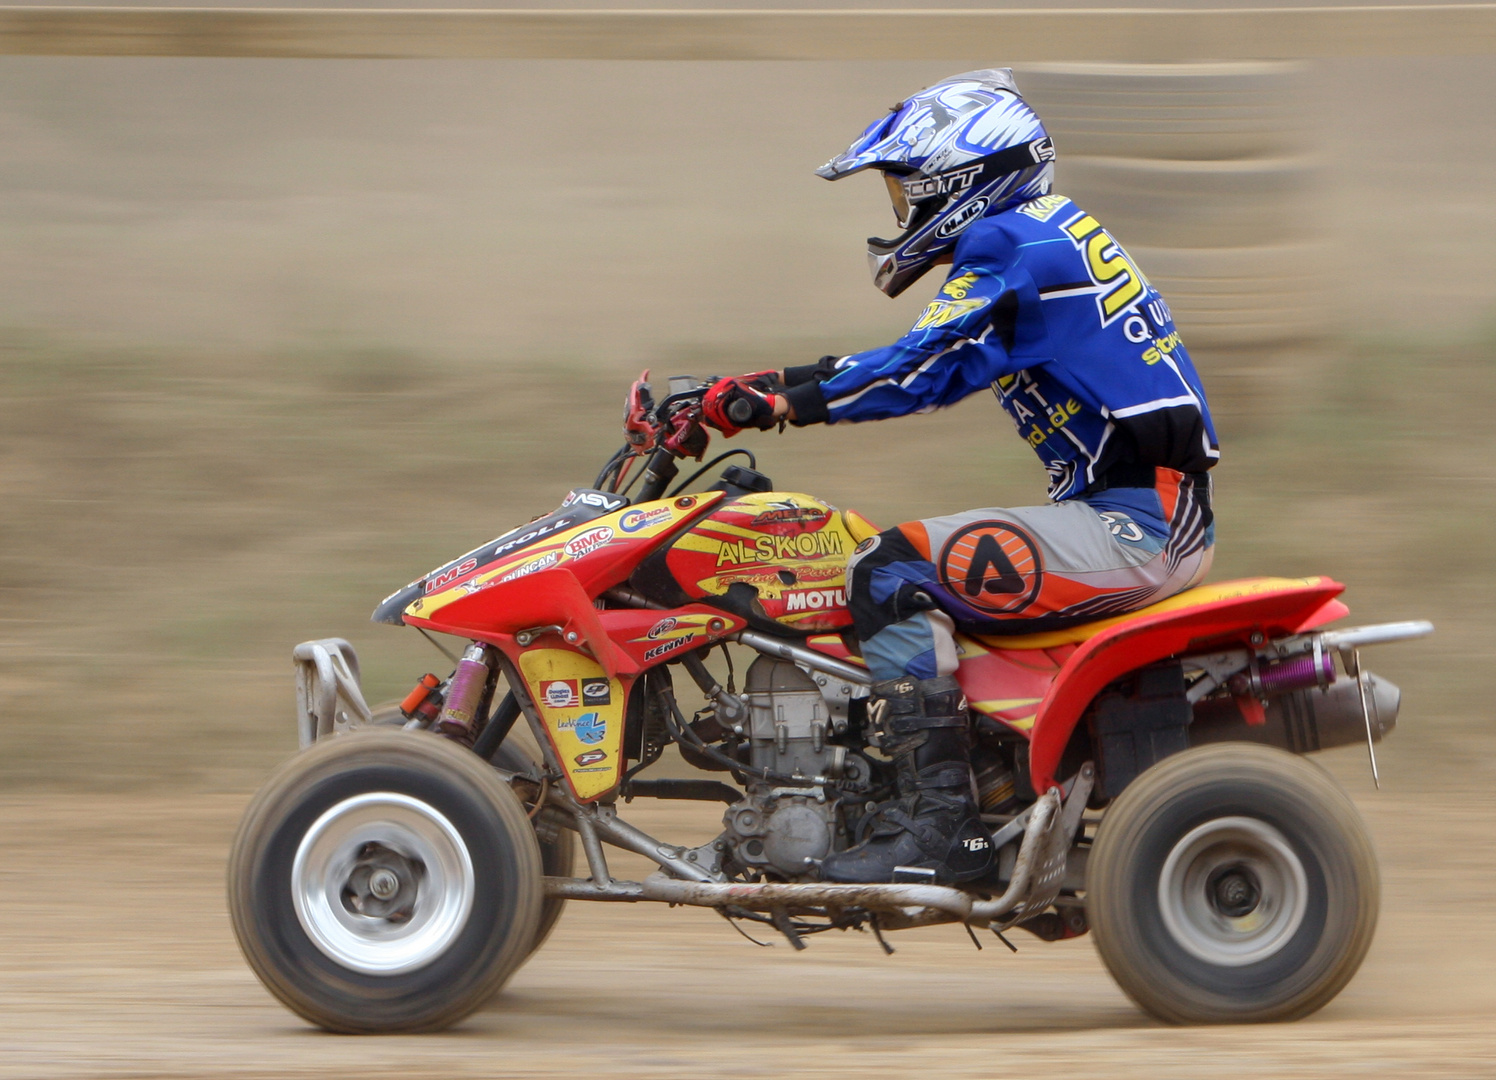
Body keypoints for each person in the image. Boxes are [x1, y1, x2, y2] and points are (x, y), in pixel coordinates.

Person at [698, 69, 1219, 885]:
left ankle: (937, 821)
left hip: (1138, 523)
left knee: (888, 565)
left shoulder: (1011, 243)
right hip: (1137, 513)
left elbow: (915, 363)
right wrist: (762, 386)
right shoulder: (1043, 236)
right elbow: (937, 373)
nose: (900, 214)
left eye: (906, 192)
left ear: (961, 182)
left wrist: (773, 404)